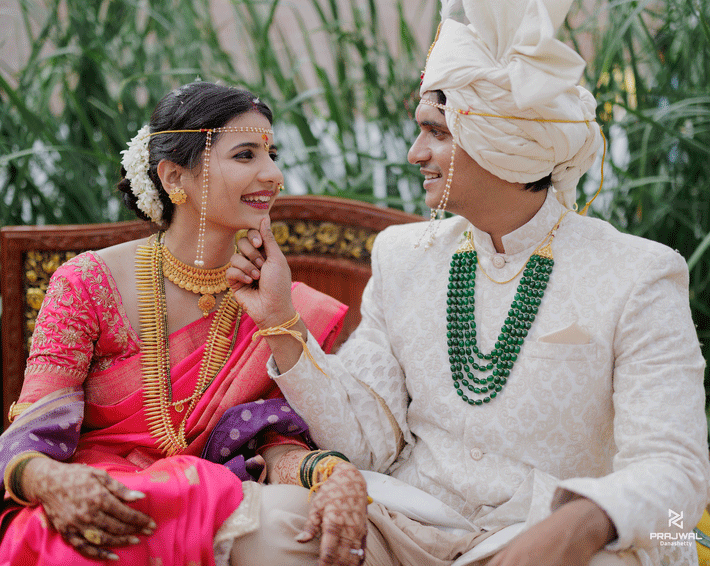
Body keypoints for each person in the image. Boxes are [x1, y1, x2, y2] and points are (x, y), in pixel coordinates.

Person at [227, 1, 710, 565]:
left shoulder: (637, 273)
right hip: (408, 524)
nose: (416, 154)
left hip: (541, 539)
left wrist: (582, 521)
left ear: (499, 139)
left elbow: (675, 467)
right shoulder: (404, 256)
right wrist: (279, 321)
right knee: (267, 528)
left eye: (435, 133)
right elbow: (367, 443)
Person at [0, 81, 371, 566]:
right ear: (175, 176)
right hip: (98, 494)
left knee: (293, 521)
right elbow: (34, 431)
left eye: (272, 154)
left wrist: (330, 474)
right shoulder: (88, 283)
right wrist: (53, 482)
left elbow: (272, 441)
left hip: (214, 494)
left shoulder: (271, 296)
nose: (274, 174)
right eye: (246, 155)